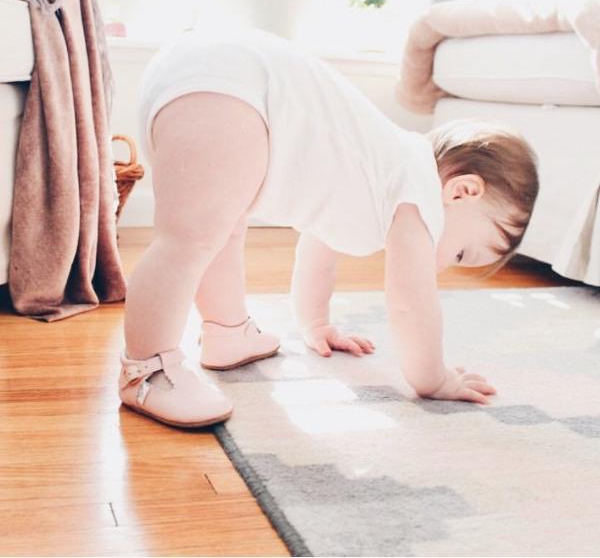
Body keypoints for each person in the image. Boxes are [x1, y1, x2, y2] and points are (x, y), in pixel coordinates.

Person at [118, 25, 539, 429]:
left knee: (220, 229)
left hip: (212, 74)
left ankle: (228, 331)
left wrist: (315, 325)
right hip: (230, 85)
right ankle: (148, 369)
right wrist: (435, 378)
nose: (444, 266)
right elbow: (411, 303)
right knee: (190, 238)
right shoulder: (417, 194)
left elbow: (316, 253)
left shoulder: (375, 176)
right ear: (462, 191)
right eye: (462, 253)